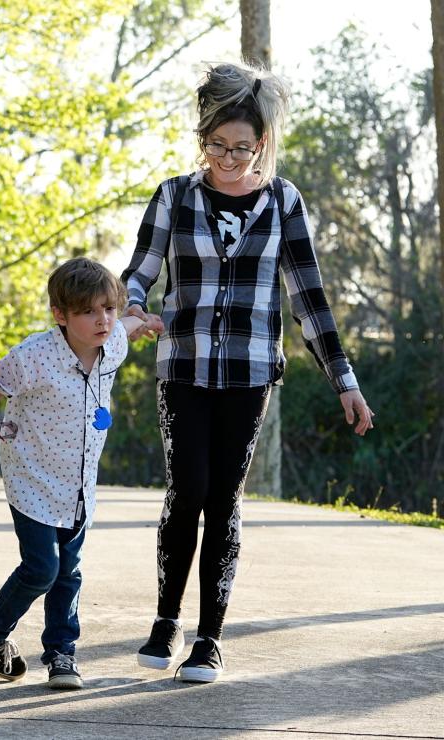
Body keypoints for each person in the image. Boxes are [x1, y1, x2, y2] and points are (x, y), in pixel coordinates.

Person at [122, 61, 375, 683]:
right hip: (182, 367)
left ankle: (208, 638)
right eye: (217, 145)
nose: (229, 158)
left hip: (250, 372)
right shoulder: (174, 195)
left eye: (243, 147)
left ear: (261, 142)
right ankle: (164, 621)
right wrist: (129, 311)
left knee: (223, 497)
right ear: (202, 139)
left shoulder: (284, 201)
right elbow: (140, 272)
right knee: (186, 493)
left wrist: (344, 379)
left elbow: (308, 298)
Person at [0, 257, 163, 690]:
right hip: (32, 480)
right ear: (61, 315)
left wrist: (138, 321)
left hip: (79, 486)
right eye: (88, 311)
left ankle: (61, 654)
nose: (101, 320)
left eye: (107, 308)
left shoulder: (114, 345)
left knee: (69, 573)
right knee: (42, 569)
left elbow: (125, 327)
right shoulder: (34, 355)